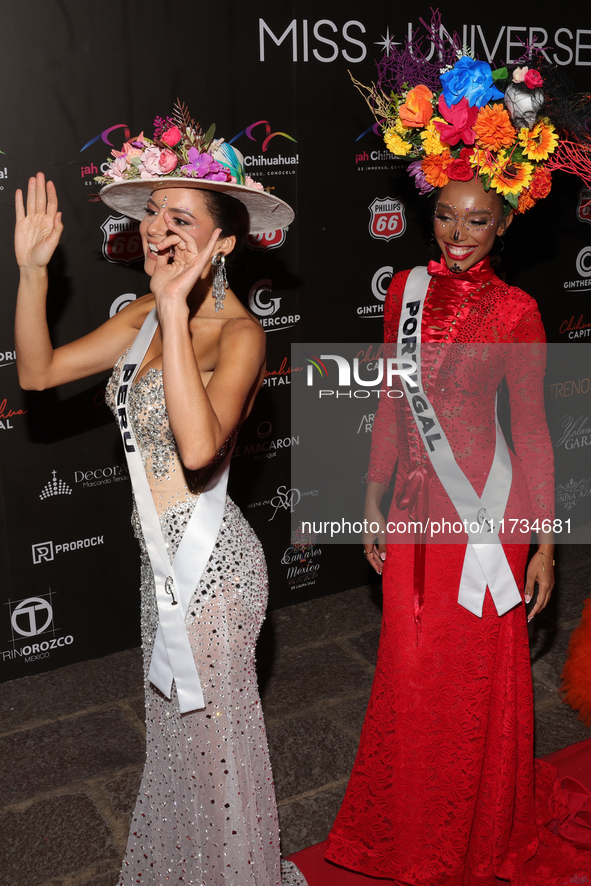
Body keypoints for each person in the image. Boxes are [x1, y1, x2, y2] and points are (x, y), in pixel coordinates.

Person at [326, 28, 591, 886]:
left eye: (479, 219)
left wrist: (544, 544)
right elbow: (388, 401)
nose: (458, 233)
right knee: (409, 672)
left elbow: (538, 433)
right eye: (446, 214)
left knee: (473, 680)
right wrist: (366, 497)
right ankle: (409, 827)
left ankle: (473, 830)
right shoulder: (402, 292)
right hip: (410, 513)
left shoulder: (516, 312)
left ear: (506, 220)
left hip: (487, 515)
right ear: (428, 208)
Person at [14, 109, 306, 886]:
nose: (157, 229)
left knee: (217, 757)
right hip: (163, 571)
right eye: (152, 213)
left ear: (225, 242)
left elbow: (201, 448)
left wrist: (179, 310)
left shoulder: (240, 334)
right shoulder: (143, 314)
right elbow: (38, 375)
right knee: (179, 748)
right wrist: (35, 270)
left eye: (181, 217)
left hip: (214, 575)